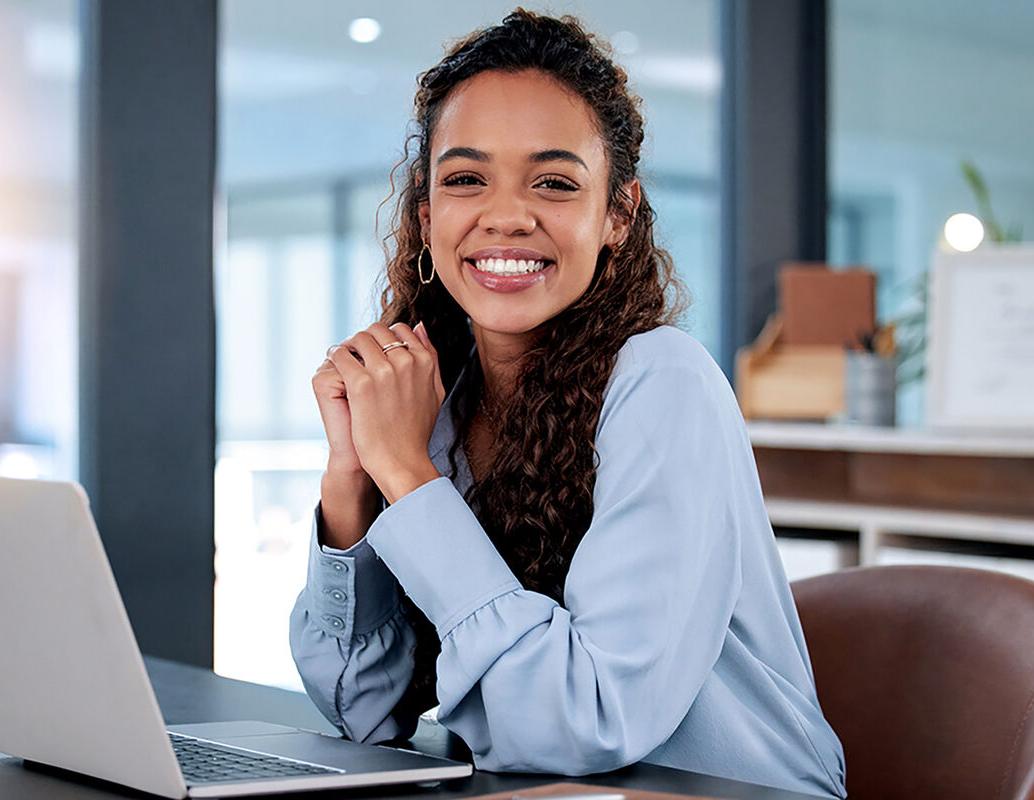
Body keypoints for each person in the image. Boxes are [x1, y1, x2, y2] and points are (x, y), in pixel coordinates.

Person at [290, 10, 846, 799]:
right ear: (425, 216)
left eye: (553, 181)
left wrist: (410, 478)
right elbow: (362, 710)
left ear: (617, 214)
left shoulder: (665, 383)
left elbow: (585, 722)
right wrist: (354, 475)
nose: (508, 215)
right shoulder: (437, 404)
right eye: (465, 179)